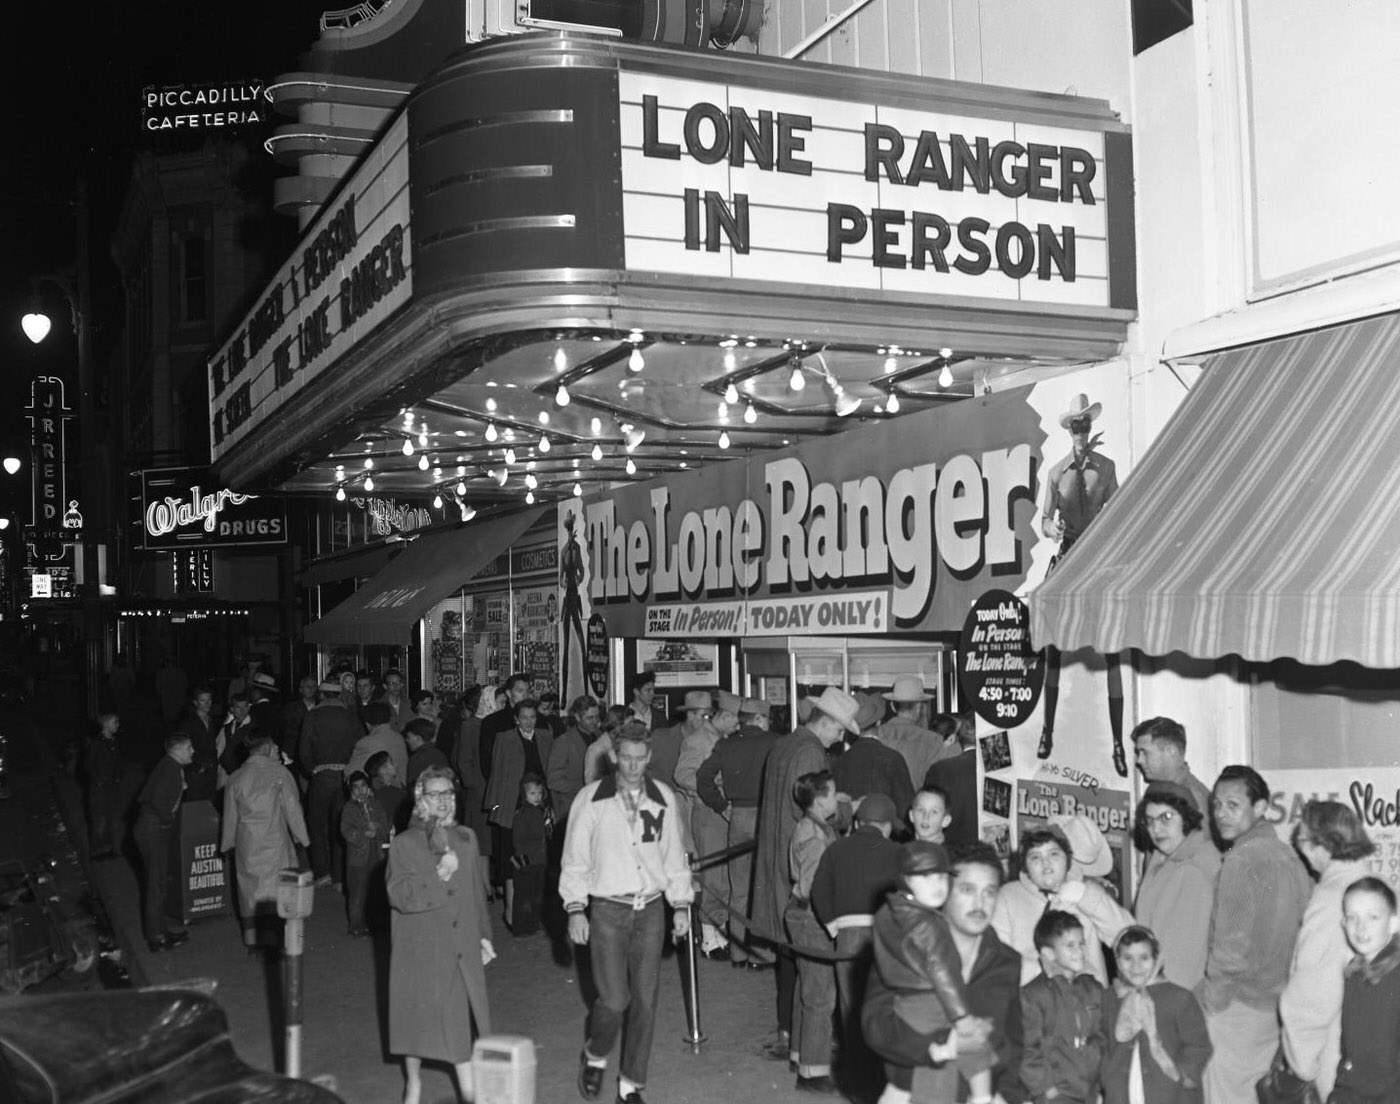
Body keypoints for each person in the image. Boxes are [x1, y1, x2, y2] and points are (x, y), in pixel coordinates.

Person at [561, 723, 693, 1104]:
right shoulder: (590, 800)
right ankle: (595, 1054)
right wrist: (575, 909)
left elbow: (674, 858)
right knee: (615, 1000)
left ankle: (631, 1084)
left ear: (649, 757)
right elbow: (575, 860)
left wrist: (680, 904)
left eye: (641, 759)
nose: (633, 767)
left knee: (646, 1001)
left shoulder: (663, 797)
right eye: (626, 758)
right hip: (607, 910)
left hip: (651, 910)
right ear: (614, 756)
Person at [863, 842, 1026, 1104]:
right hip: (912, 1092)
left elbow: (1013, 1044)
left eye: (990, 892)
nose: (979, 903)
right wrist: (942, 1044)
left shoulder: (1007, 962)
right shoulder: (904, 951)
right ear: (945, 891)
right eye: (967, 890)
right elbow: (876, 1027)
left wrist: (1011, 1096)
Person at [751, 687, 861, 1061]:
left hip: (778, 857)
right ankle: (803, 1036)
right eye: (839, 729)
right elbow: (814, 810)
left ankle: (788, 1029)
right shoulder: (811, 751)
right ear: (825, 721)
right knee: (807, 956)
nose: (840, 738)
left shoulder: (785, 743)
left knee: (789, 952)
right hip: (802, 863)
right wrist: (847, 809)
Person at [1200, 764, 1311, 1104]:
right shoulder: (1290, 856)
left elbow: (1230, 950)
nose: (1221, 814)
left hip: (1238, 1008)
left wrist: (1213, 1004)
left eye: (1233, 805)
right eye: (1217, 804)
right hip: (1276, 1007)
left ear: (1260, 808)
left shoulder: (1242, 860)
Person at [387, 765, 494, 1104]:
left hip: (461, 945)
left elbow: (477, 893)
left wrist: (484, 935)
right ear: (421, 800)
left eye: (449, 794)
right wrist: (439, 876)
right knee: (416, 1021)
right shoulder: (404, 844)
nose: (444, 801)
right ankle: (413, 1082)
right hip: (421, 947)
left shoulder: (466, 838)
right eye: (435, 794)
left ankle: (470, 1094)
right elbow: (399, 896)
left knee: (460, 1022)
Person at [1037, 392, 1126, 774]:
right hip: (1070, 554)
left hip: (1098, 558)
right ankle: (1047, 730)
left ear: (1090, 428)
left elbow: (1120, 510)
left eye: (1084, 424)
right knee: (1053, 643)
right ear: (1069, 430)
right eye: (1075, 425)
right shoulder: (1056, 473)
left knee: (1111, 648)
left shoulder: (1105, 468)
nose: (1080, 431)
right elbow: (1043, 521)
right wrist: (1052, 527)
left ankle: (1119, 743)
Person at [810, 792, 908, 1101]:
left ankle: (857, 1081)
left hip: (849, 932)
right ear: (888, 826)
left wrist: (832, 924)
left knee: (852, 1009)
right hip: (886, 932)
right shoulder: (899, 852)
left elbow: (820, 889)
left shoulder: (837, 848)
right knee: (887, 1004)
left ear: (857, 821)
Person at [1280, 800, 1377, 1100]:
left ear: (1324, 844)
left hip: (1339, 1060)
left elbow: (1313, 996)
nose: (1303, 852)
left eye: (1303, 841)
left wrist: (1302, 1067)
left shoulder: (1331, 900)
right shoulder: (1377, 887)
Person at [993, 825, 1134, 987]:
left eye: (1054, 854)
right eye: (1035, 857)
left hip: (1088, 1002)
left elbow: (1130, 937)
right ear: (1025, 866)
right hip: (1029, 1002)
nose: (1046, 864)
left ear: (1067, 859)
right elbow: (997, 957)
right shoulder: (1008, 896)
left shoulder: (1085, 892)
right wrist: (1053, 970)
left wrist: (1087, 897)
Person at [696, 694, 776, 965]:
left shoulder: (725, 745)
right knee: (763, 887)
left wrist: (722, 806)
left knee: (739, 887)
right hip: (766, 816)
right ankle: (762, 955)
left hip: (738, 817)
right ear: (759, 718)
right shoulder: (774, 743)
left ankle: (739, 952)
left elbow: (703, 779)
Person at [1100, 926, 1212, 1104]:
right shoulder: (1109, 998)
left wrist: (1180, 1074)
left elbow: (1198, 1045)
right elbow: (1102, 1042)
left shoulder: (1179, 998)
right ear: (1118, 961)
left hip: (1168, 1090)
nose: (1136, 966)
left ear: (1157, 959)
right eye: (1128, 958)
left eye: (1144, 958)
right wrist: (1106, 1075)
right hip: (1122, 1089)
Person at [222, 731, 309, 952]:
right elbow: (293, 809)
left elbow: (230, 817)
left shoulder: (235, 777)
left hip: (247, 843)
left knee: (250, 893)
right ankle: (278, 938)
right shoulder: (280, 773)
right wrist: (302, 838)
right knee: (278, 889)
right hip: (275, 840)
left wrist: (228, 844)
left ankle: (253, 940)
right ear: (268, 748)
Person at [1131, 782, 1220, 991]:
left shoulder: (1194, 870)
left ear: (1187, 818)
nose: (1156, 828)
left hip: (1171, 994)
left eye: (1166, 818)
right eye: (1150, 821)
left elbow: (1182, 962)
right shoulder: (1164, 856)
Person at [786, 769, 841, 1093]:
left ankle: (799, 1053)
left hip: (799, 914)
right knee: (821, 995)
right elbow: (810, 887)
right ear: (820, 801)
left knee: (806, 987)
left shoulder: (811, 824)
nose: (837, 798)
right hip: (811, 916)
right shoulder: (816, 838)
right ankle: (813, 1072)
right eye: (833, 794)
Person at [1020, 910, 1105, 1104]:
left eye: (1082, 943)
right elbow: (1027, 1052)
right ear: (1048, 953)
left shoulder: (1093, 989)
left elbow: (1101, 1037)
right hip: (1055, 1097)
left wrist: (1100, 1086)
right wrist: (1047, 1092)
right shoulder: (1034, 995)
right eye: (1070, 945)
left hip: (1090, 1093)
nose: (1080, 951)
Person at [675, 690, 734, 957]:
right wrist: (711, 786)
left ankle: (718, 931)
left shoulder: (721, 738)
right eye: (735, 719)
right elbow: (682, 774)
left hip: (719, 813)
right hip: (707, 812)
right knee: (713, 876)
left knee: (722, 875)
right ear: (723, 716)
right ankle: (709, 937)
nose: (738, 726)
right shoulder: (699, 740)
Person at [1332, 876, 1400, 1104]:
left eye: (1373, 917)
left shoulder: (1395, 978)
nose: (1361, 927)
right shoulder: (1356, 973)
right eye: (1352, 917)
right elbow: (1350, 1050)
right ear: (1343, 923)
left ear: (1393, 923)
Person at [300, 678, 363, 889]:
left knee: (316, 825)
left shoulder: (312, 715)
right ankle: (339, 876)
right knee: (341, 825)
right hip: (344, 776)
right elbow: (359, 745)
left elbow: (304, 749)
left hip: (321, 776)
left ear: (321, 694)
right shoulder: (350, 715)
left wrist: (312, 769)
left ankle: (322, 873)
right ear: (338, 695)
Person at [133, 733, 194, 953]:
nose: (192, 751)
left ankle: (160, 930)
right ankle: (156, 938)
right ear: (177, 750)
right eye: (189, 747)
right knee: (156, 885)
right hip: (153, 829)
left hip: (152, 829)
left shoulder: (170, 766)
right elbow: (158, 800)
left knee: (158, 882)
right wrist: (167, 820)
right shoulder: (170, 768)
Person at [834, 693, 916, 818]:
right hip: (884, 831)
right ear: (879, 722)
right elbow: (905, 806)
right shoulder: (893, 758)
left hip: (850, 834)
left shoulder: (840, 761)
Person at [879, 676, 953, 793]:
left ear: (892, 706)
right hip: (917, 806)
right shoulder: (933, 740)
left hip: (881, 808)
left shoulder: (877, 735)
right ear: (919, 707)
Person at [1130, 718, 1213, 822]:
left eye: (1145, 753)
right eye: (1139, 753)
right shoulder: (1160, 791)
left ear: (1171, 751)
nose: (1139, 760)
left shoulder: (1195, 801)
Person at [341, 769, 391, 937]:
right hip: (357, 858)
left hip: (375, 854)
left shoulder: (375, 805)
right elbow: (346, 830)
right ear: (351, 791)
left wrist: (378, 828)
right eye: (356, 787)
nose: (360, 790)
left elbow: (385, 824)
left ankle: (372, 922)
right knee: (357, 892)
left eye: (363, 786)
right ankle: (355, 924)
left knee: (374, 891)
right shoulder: (349, 809)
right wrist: (363, 834)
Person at [923, 714, 978, 848]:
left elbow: (929, 812)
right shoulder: (1000, 767)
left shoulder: (940, 769)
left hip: (951, 850)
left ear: (958, 737)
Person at [507, 773, 551, 936]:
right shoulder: (523, 814)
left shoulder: (540, 811)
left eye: (539, 793)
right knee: (524, 896)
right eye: (532, 793)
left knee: (537, 894)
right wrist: (522, 859)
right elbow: (518, 840)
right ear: (524, 795)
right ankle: (521, 927)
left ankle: (534, 922)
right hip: (527, 862)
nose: (537, 797)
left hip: (539, 860)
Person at [547, 695, 601, 823]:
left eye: (597, 717)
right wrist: (585, 785)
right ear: (577, 717)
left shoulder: (601, 737)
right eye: (589, 718)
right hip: (572, 809)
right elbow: (553, 781)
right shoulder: (563, 742)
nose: (595, 721)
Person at [84, 711, 122, 860]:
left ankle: (109, 847)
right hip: (99, 787)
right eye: (115, 722)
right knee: (99, 819)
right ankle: (97, 850)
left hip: (110, 786)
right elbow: (88, 765)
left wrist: (117, 777)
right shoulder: (96, 744)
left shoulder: (113, 742)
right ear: (106, 725)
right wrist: (98, 780)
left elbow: (117, 763)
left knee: (111, 818)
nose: (117, 725)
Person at [347, 700, 410, 783]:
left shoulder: (366, 743)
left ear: (367, 724)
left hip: (379, 792)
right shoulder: (399, 738)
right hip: (401, 791)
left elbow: (350, 773)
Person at [177, 686, 219, 803]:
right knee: (195, 806)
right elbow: (181, 748)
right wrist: (197, 766)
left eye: (209, 700)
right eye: (203, 700)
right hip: (196, 773)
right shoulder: (188, 723)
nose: (207, 704)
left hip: (211, 772)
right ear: (195, 703)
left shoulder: (211, 720)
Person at [404, 717, 450, 794]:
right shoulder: (440, 754)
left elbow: (413, 789)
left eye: (409, 737)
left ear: (418, 738)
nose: (406, 740)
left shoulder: (417, 759)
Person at [282, 675, 320, 767]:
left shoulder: (321, 707)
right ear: (301, 690)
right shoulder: (291, 708)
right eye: (307, 687)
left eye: (313, 686)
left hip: (316, 752)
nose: (311, 689)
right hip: (294, 753)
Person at [217, 692, 253, 782]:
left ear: (249, 708)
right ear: (232, 709)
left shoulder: (254, 729)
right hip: (225, 775)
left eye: (245, 706)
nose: (242, 710)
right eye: (238, 707)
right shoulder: (226, 728)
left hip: (245, 776)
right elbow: (218, 750)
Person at [368, 750, 407, 829]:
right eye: (391, 763)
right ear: (383, 770)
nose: (395, 765)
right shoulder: (390, 794)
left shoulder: (375, 790)